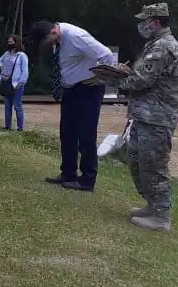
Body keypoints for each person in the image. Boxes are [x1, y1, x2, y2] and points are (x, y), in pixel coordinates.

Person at [97, 3, 178, 232]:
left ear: (154, 22)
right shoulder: (154, 44)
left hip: (157, 118)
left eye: (144, 21)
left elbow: (141, 81)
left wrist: (112, 78)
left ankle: (161, 216)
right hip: (145, 115)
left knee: (154, 165)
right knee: (137, 160)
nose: (141, 25)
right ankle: (152, 205)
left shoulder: (163, 47)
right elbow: (143, 76)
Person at [28, 18, 114, 192]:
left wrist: (98, 78)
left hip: (88, 89)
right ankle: (68, 173)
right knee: (67, 132)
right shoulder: (59, 39)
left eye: (45, 41)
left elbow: (106, 54)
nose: (45, 45)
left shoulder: (76, 36)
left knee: (86, 135)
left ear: (52, 32)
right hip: (71, 89)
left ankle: (87, 179)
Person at [0, 34, 29, 131]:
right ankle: (7, 126)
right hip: (6, 82)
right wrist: (1, 67)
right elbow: (0, 60)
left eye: (11, 42)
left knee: (17, 106)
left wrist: (22, 82)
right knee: (7, 106)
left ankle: (20, 128)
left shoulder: (22, 56)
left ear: (16, 43)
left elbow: (25, 70)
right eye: (8, 42)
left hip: (17, 84)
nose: (9, 43)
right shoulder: (6, 54)